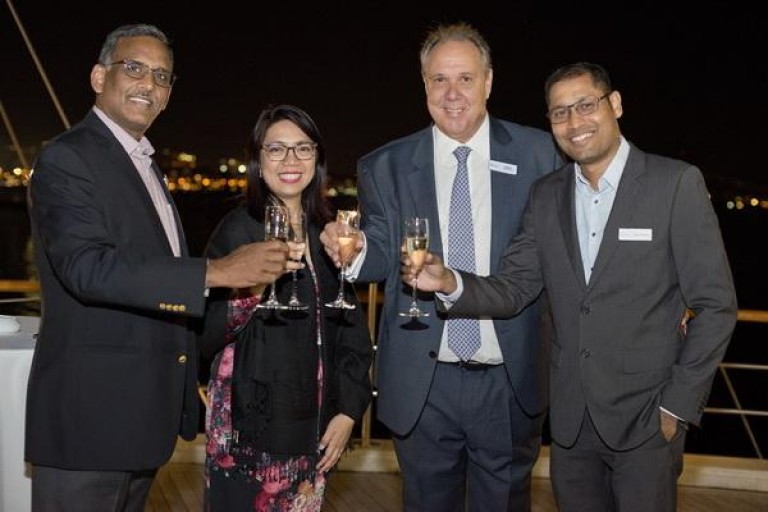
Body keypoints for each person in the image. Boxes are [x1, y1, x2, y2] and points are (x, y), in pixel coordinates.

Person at [405, 61, 738, 512]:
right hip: (570, 423)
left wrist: (677, 406)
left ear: (614, 104)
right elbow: (516, 288)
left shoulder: (674, 183)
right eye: (559, 113)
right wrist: (449, 282)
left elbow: (716, 305)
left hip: (647, 420)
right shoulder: (546, 195)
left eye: (585, 105)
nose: (574, 122)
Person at [25, 24, 292, 511]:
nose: (149, 84)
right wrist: (215, 272)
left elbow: (151, 287)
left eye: (163, 76)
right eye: (135, 68)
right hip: (89, 423)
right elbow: (87, 269)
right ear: (98, 76)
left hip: (138, 421)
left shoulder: (144, 165)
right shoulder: (68, 158)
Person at [320, 21, 562, 510]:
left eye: (466, 79)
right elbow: (382, 252)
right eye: (438, 80)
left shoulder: (544, 155)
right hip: (423, 383)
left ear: (489, 81)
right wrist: (354, 250)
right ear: (424, 84)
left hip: (509, 378)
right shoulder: (384, 165)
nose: (452, 94)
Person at [196, 104, 373, 511]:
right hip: (249, 432)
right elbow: (204, 334)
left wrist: (348, 412)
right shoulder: (238, 230)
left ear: (318, 159)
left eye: (303, 149)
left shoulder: (327, 236)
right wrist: (253, 287)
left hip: (314, 428)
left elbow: (351, 332)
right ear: (258, 161)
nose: (291, 160)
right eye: (276, 149)